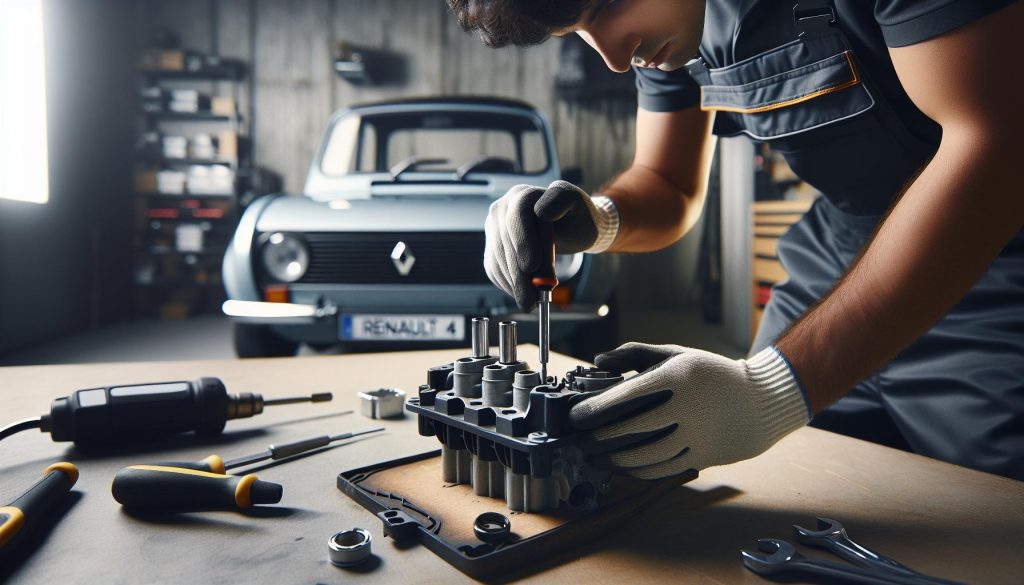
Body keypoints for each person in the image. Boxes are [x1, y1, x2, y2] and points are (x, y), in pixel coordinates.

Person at [447, 0, 1024, 481]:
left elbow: (997, 150)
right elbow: (666, 183)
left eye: (608, 7)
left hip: (991, 256)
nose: (615, 60)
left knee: (988, 514)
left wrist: (768, 389)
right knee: (793, 485)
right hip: (837, 253)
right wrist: (596, 220)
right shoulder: (667, 24)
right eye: (579, 34)